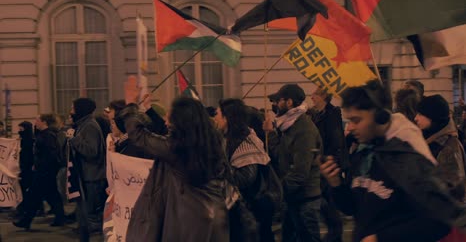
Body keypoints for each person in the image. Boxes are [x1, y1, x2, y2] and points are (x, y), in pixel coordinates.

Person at [320, 80, 466, 242]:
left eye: (357, 120)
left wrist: (381, 238)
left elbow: (439, 221)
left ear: (380, 117)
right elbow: (352, 208)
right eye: (350, 121)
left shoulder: (406, 158)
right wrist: (336, 184)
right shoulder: (363, 155)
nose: (351, 127)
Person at [123, 97, 232, 241]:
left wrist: (131, 105)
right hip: (215, 215)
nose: (167, 123)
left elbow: (139, 136)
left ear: (181, 123)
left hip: (187, 222)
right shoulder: (214, 142)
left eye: (170, 119)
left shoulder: (175, 149)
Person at [263, 84, 322, 242]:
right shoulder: (288, 125)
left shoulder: (303, 129)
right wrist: (270, 134)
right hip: (294, 197)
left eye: (278, 100)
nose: (275, 104)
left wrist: (278, 193)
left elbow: (300, 172)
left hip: (305, 199)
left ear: (289, 102)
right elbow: (280, 155)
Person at [215, 98, 275, 242]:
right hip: (241, 210)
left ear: (227, 118)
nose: (215, 118)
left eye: (217, 114)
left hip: (252, 209)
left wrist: (220, 168)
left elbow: (245, 179)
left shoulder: (245, 142)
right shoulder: (227, 139)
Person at [13, 114, 65, 229]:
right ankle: (59, 218)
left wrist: (40, 166)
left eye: (37, 120)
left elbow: (50, 155)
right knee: (50, 195)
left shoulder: (48, 136)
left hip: (45, 171)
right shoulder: (43, 134)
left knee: (35, 195)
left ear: (44, 122)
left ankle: (26, 220)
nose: (35, 122)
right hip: (44, 170)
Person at [309, 86, 346, 242]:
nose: (311, 97)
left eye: (315, 94)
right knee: (326, 207)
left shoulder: (332, 114)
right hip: (320, 167)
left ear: (323, 96)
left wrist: (329, 162)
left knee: (330, 207)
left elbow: (335, 142)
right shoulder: (316, 115)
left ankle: (334, 236)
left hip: (328, 167)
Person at [415, 95, 466, 202]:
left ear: (433, 117)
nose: (416, 118)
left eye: (420, 114)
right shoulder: (429, 138)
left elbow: (454, 190)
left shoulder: (448, 147)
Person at [68, 98, 107, 234]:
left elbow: (91, 151)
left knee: (91, 206)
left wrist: (74, 140)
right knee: (86, 204)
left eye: (73, 108)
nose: (71, 111)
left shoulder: (90, 126)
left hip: (93, 174)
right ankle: (86, 227)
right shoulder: (84, 124)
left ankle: (92, 228)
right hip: (87, 173)